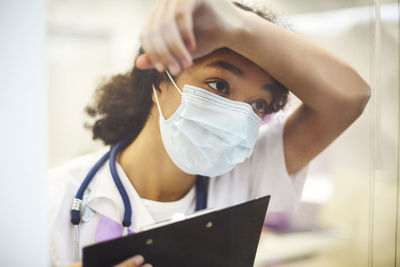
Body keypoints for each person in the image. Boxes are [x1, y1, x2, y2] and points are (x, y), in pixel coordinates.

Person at [48, 0, 371, 266]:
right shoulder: (52, 197)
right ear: (159, 80)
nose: (238, 115)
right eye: (219, 85)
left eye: (259, 104)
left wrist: (240, 26)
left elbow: (349, 98)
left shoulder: (248, 173)